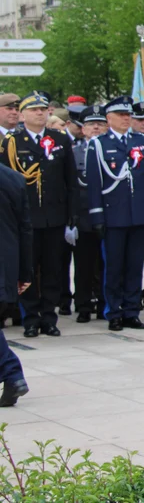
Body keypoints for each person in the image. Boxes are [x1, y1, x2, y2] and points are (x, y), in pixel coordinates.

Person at [0, 93, 77, 338]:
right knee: (28, 270)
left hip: (54, 216)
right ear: (22, 115)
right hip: (25, 218)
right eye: (33, 110)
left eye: (43, 110)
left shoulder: (60, 139)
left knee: (54, 269)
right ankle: (30, 318)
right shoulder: (12, 142)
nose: (39, 113)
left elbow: (71, 181)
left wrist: (71, 217)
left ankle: (49, 318)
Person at [86, 95, 144, 331]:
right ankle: (114, 311)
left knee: (134, 266)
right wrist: (97, 216)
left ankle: (131, 310)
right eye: (121, 115)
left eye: (128, 115)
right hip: (113, 216)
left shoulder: (141, 141)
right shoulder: (99, 145)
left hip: (137, 214)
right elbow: (94, 185)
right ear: (109, 119)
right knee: (114, 267)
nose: (126, 118)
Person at [0, 162, 32, 406]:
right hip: (6, 266)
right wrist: (24, 273)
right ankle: (12, 376)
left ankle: (12, 373)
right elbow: (25, 230)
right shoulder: (14, 178)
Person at [72, 105, 107, 323]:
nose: (95, 127)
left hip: (108, 215)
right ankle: (83, 305)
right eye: (91, 124)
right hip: (83, 216)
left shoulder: (113, 148)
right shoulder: (73, 152)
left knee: (106, 264)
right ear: (82, 129)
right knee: (83, 265)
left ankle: (105, 303)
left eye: (100, 123)